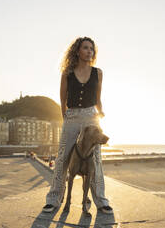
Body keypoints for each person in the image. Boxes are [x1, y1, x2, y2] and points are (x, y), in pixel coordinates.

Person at [42, 37, 113, 214]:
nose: (90, 51)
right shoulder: (67, 72)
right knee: (62, 158)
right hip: (72, 116)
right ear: (77, 51)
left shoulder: (98, 73)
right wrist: (65, 117)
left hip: (91, 116)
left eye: (92, 49)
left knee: (95, 159)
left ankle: (101, 201)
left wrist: (101, 111)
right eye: (86, 48)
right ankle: (53, 199)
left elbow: (98, 99)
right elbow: (63, 99)